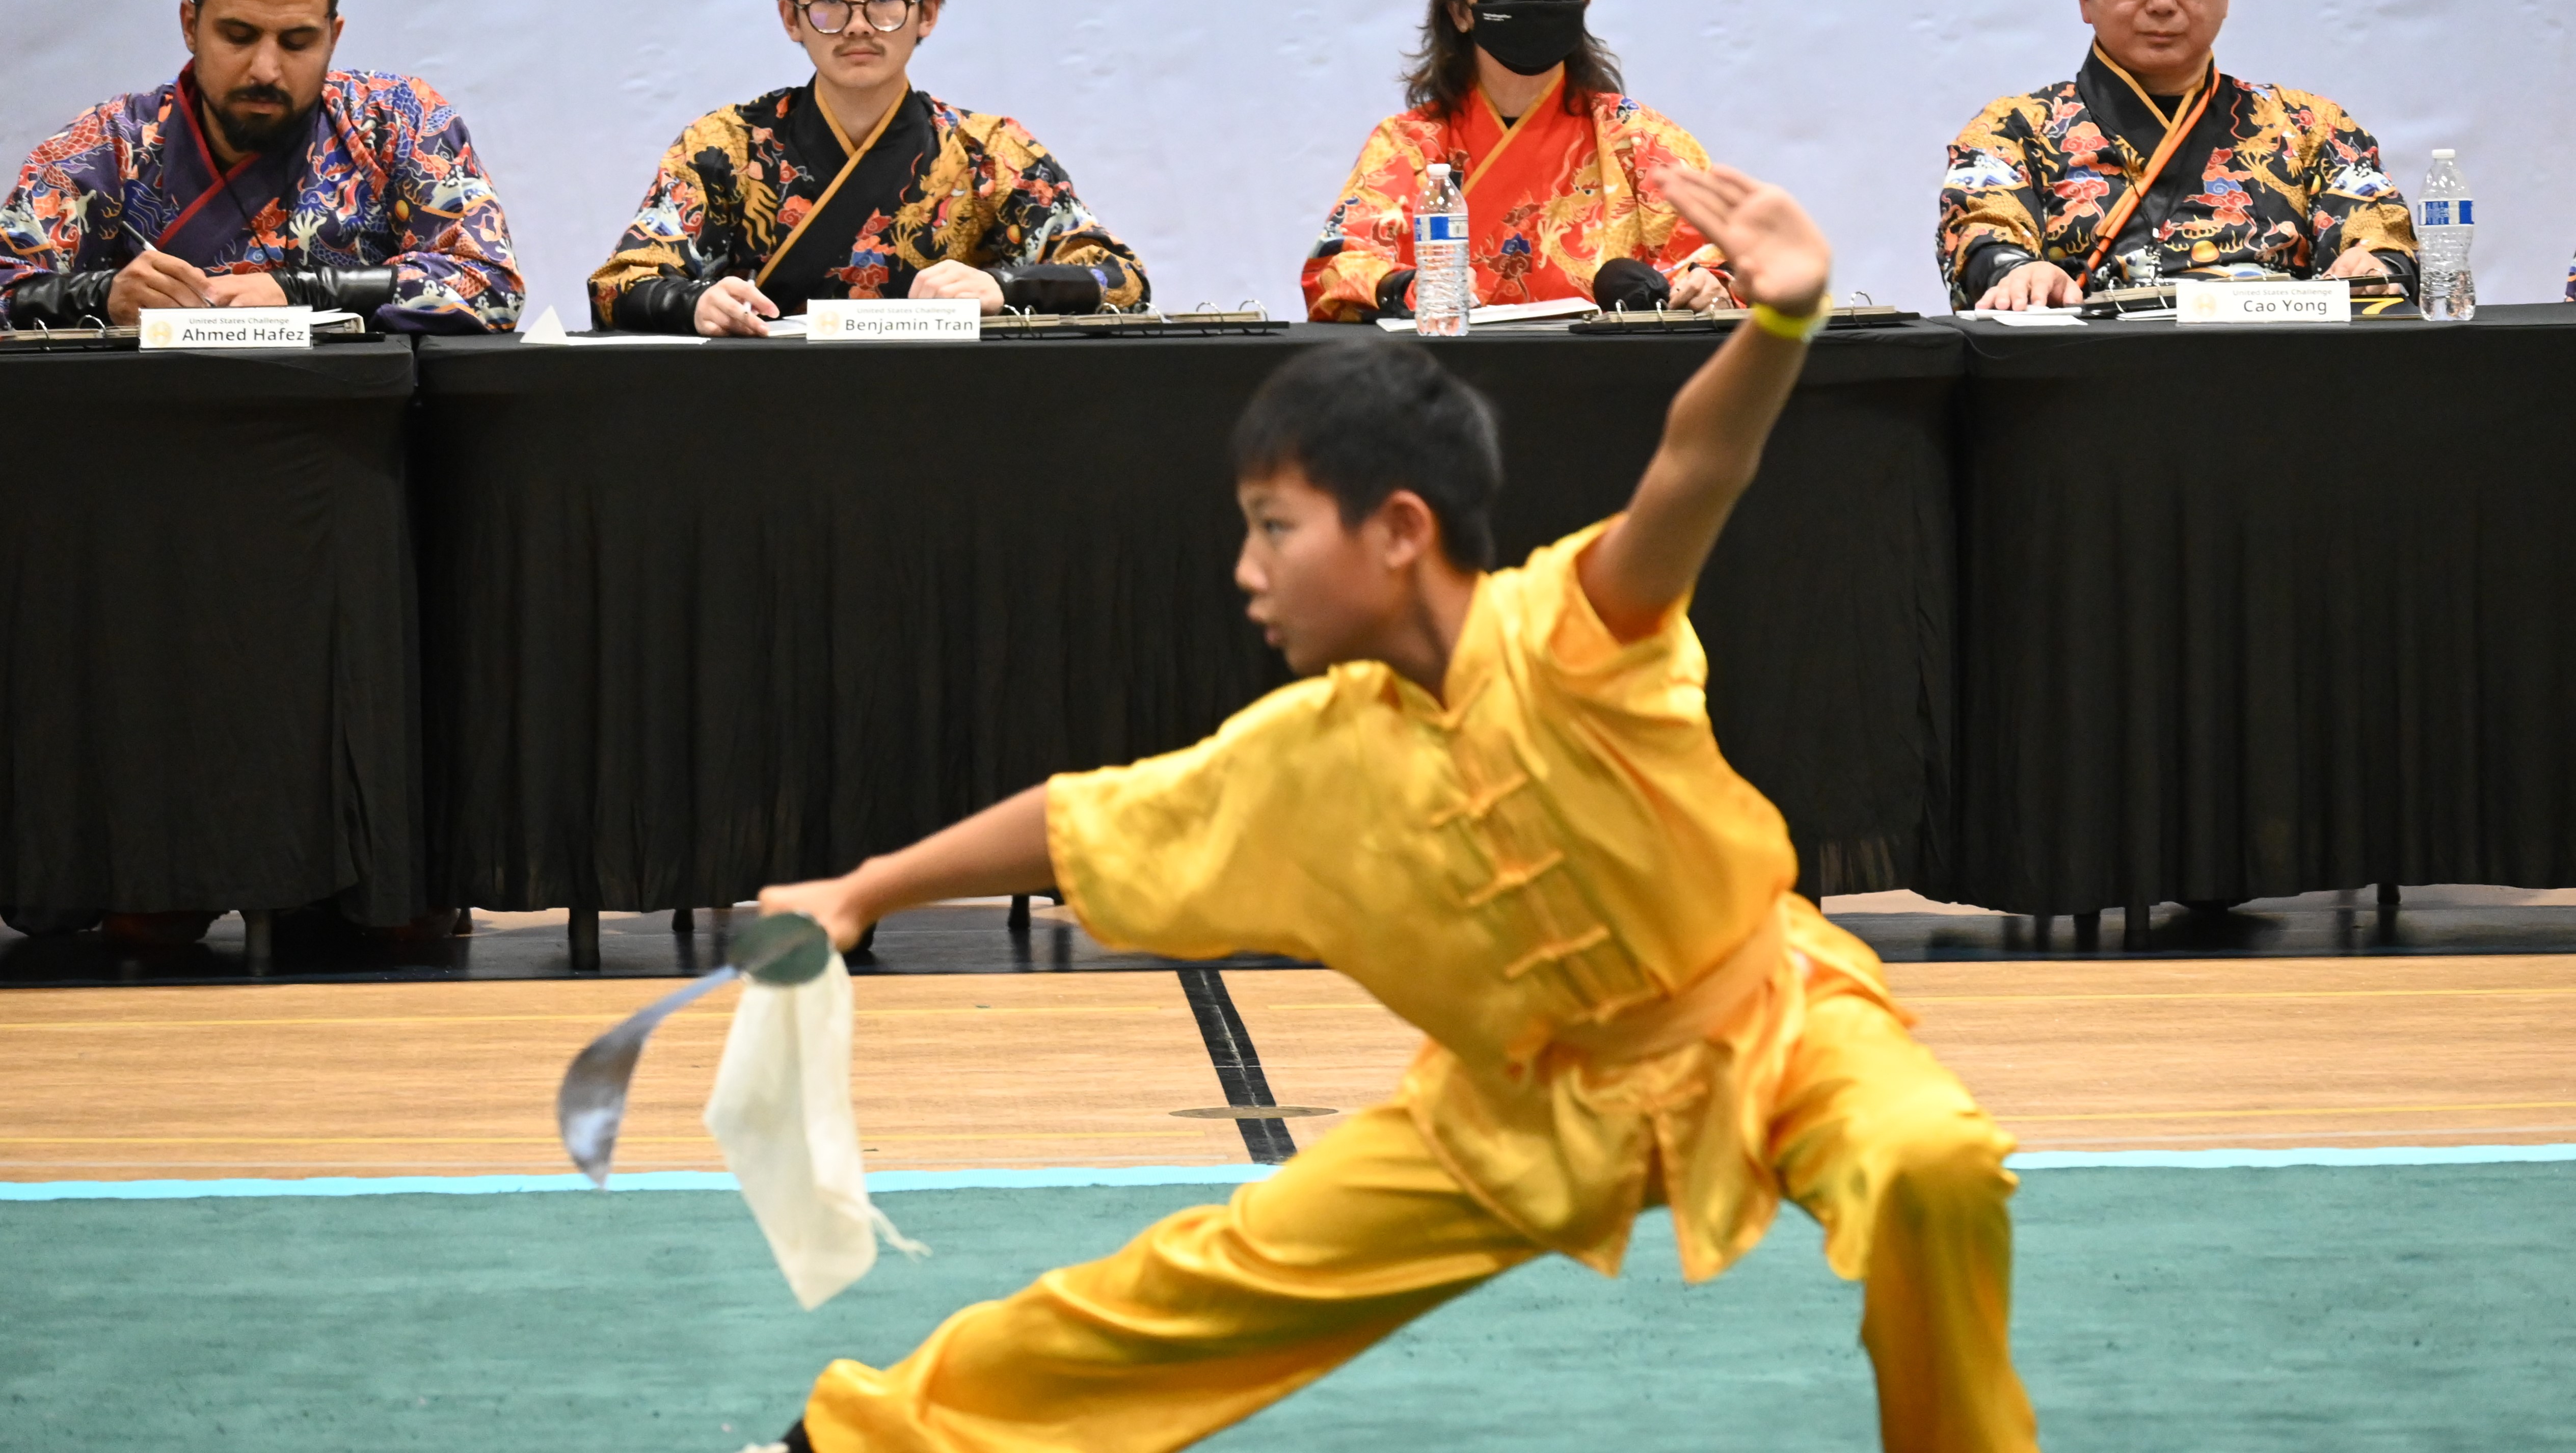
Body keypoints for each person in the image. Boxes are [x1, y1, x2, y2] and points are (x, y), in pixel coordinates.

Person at [757, 165, 2036, 1453]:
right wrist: (863, 888)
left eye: (1275, 528)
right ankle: (865, 1440)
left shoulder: (1578, 632)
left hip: (1769, 1022)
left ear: (1398, 529)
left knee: (1928, 1161)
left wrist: (1780, 323)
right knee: (1208, 1282)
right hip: (1522, 1105)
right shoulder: (1310, 755)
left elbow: (1698, 462)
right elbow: (1082, 819)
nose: (1246, 572)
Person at [591, 0, 1147, 335]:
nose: (858, 24)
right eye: (830, 1)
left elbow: (1121, 279)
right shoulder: (726, 147)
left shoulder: (991, 153)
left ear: (927, 12)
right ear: (791, 17)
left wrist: (1003, 287)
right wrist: (695, 304)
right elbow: (620, 284)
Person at [0, 0, 522, 332]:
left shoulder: (396, 123)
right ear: (191, 25)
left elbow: (491, 287)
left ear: (333, 36)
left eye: (297, 42)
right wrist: (102, 295)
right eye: (239, 36)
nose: (266, 70)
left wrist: (298, 292)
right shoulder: (110, 146)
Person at [1940, 0, 2416, 310]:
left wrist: (2375, 263)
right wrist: (2018, 273)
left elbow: (2379, 235)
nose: (2163, 2)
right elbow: (1984, 235)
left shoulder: (2310, 127)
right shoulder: (2014, 130)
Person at [1301, 0, 1735, 323]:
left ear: (1584, 0)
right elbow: (1338, 270)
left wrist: (1712, 285)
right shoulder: (1409, 143)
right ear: (1461, 12)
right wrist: (1404, 287)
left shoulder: (1638, 138)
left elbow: (1723, 259)